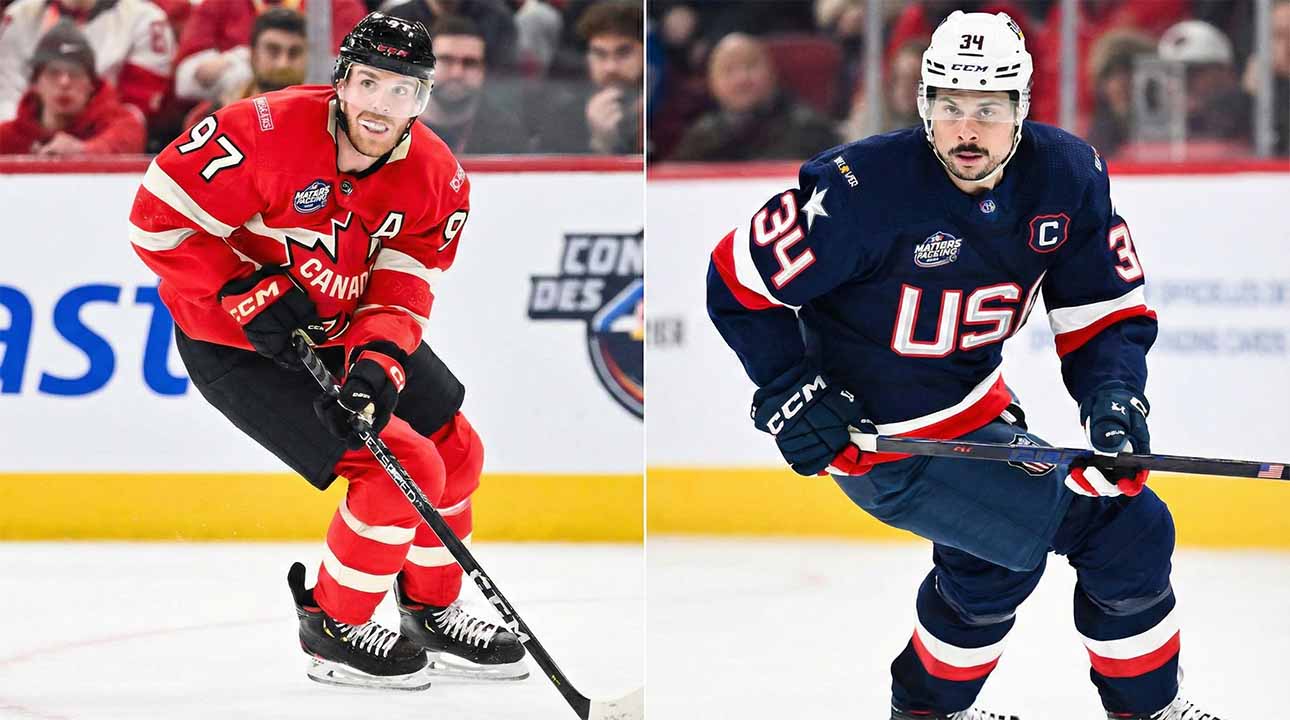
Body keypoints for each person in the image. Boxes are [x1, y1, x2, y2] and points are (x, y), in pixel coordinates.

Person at [706, 11, 1219, 720]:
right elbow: (734, 283)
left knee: (991, 567)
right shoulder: (860, 190)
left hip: (978, 412)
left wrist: (1114, 401)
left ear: (1022, 107)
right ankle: (1150, 710)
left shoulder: (1066, 177)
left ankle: (925, 711)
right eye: (948, 106)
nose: (966, 130)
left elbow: (1101, 309)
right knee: (1124, 531)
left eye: (987, 108)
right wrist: (792, 386)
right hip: (885, 445)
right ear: (924, 106)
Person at [129, 12, 526, 689]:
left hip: (343, 332)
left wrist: (378, 364)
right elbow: (155, 222)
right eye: (370, 83)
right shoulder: (257, 132)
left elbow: (401, 294)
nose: (382, 105)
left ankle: (430, 610)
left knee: (458, 452)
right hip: (237, 345)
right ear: (341, 81)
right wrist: (239, 289)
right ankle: (335, 627)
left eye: (403, 91)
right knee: (401, 465)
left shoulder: (438, 179)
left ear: (423, 101)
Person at [669, 32, 839, 161]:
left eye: (750, 66)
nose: (742, 79)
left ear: (772, 72)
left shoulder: (810, 129)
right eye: (729, 70)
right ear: (712, 84)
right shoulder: (700, 138)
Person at [0, 0, 174, 122]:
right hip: (27, 135)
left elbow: (136, 112)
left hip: (107, 139)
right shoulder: (18, 16)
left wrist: (91, 143)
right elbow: (7, 97)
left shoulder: (146, 20)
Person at [0, 20, 145, 155]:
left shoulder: (119, 124)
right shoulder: (10, 137)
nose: (64, 82)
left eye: (75, 74)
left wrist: (83, 150)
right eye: (53, 73)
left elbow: (128, 138)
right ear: (35, 83)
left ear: (91, 85)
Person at [531, 0, 642, 154]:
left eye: (623, 53)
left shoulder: (662, 108)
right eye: (599, 54)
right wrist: (601, 143)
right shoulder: (564, 118)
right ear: (588, 58)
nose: (610, 67)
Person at [181, 7, 308, 131]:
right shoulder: (210, 118)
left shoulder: (323, 117)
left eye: (294, 52)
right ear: (252, 54)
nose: (283, 64)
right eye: (272, 51)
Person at [420, 15, 530, 153]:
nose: (457, 73)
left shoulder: (508, 134)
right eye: (446, 60)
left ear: (483, 71)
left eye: (470, 63)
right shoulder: (393, 127)